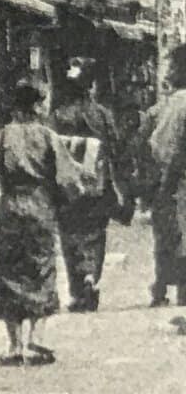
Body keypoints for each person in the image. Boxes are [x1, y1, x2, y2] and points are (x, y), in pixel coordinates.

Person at [0, 78, 78, 366]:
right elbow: (68, 180)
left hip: (11, 208)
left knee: (10, 273)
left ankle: (15, 345)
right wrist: (63, 205)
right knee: (42, 269)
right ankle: (36, 339)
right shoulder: (49, 137)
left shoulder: (2, 137)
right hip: (41, 208)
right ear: (37, 106)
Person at [49, 54, 128, 312]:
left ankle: (77, 289)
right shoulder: (102, 115)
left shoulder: (58, 115)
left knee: (70, 235)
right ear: (92, 85)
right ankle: (90, 277)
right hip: (97, 184)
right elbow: (116, 147)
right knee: (94, 234)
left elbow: (50, 150)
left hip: (67, 186)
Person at [139, 46, 186, 308]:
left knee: (171, 235)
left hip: (175, 180)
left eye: (172, 67)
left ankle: (166, 288)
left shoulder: (173, 104)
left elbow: (158, 146)